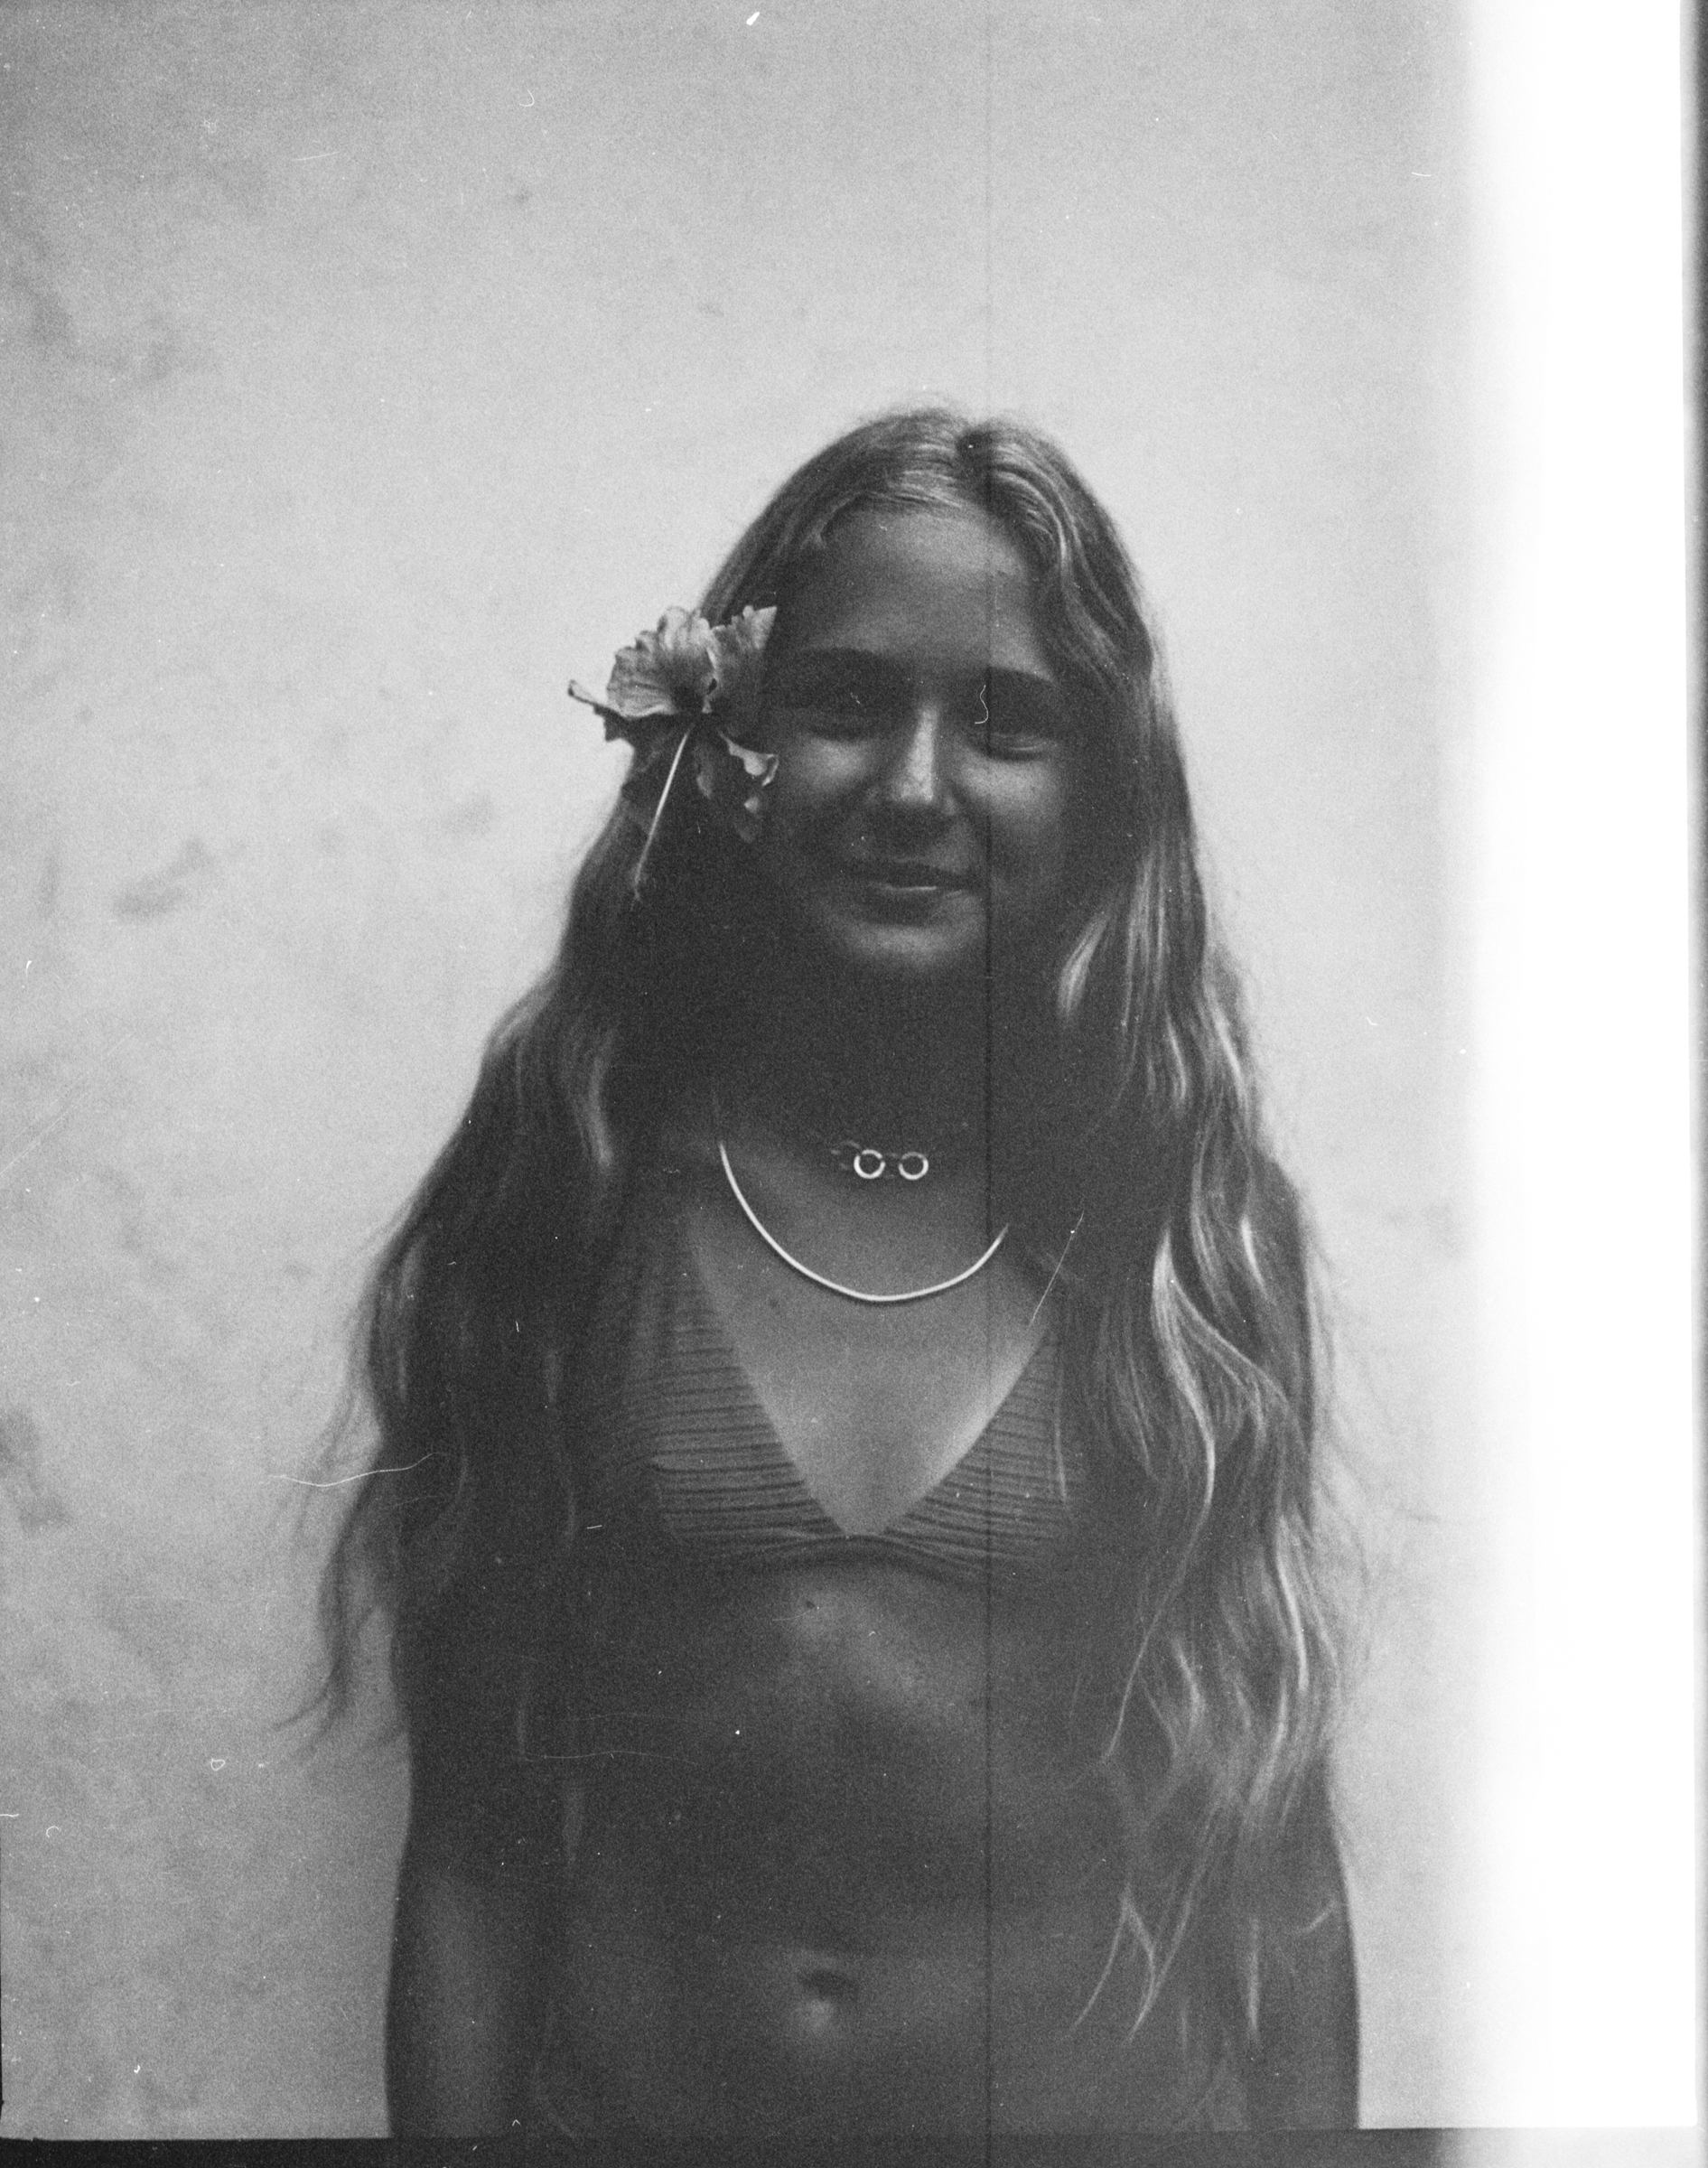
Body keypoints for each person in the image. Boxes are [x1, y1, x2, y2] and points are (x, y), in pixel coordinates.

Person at [317, 408, 1358, 2148]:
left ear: (1099, 790)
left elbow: (1269, 1849)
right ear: (723, 739)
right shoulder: (573, 1177)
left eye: (1006, 723)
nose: (914, 788)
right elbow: (477, 1852)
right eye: (844, 702)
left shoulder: (1174, 1227)